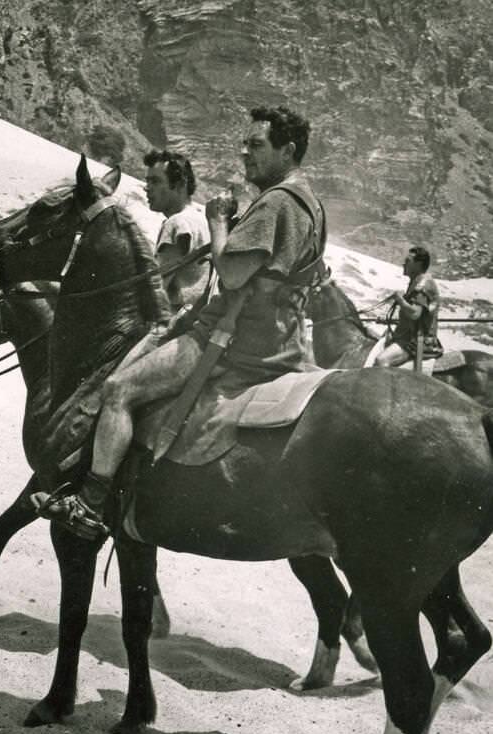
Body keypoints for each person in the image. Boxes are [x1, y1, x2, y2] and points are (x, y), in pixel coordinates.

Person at [37, 105, 326, 540]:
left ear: (288, 151)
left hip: (232, 336)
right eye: (244, 143)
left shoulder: (278, 202)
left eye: (257, 145)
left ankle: (91, 501)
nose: (245, 153)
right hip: (282, 338)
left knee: (119, 390)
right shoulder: (311, 204)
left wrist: (217, 220)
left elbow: (230, 275)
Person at [143, 149, 211, 315]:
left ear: (180, 185)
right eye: (147, 181)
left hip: (174, 320)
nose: (147, 188)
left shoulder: (177, 223)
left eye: (156, 181)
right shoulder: (201, 219)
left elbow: (155, 287)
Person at [374, 245, 442, 367]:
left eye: (408, 261)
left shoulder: (423, 284)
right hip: (409, 336)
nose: (403, 264)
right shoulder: (416, 281)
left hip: (417, 341)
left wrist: (400, 300)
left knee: (381, 360)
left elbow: (415, 314)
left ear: (418, 264)